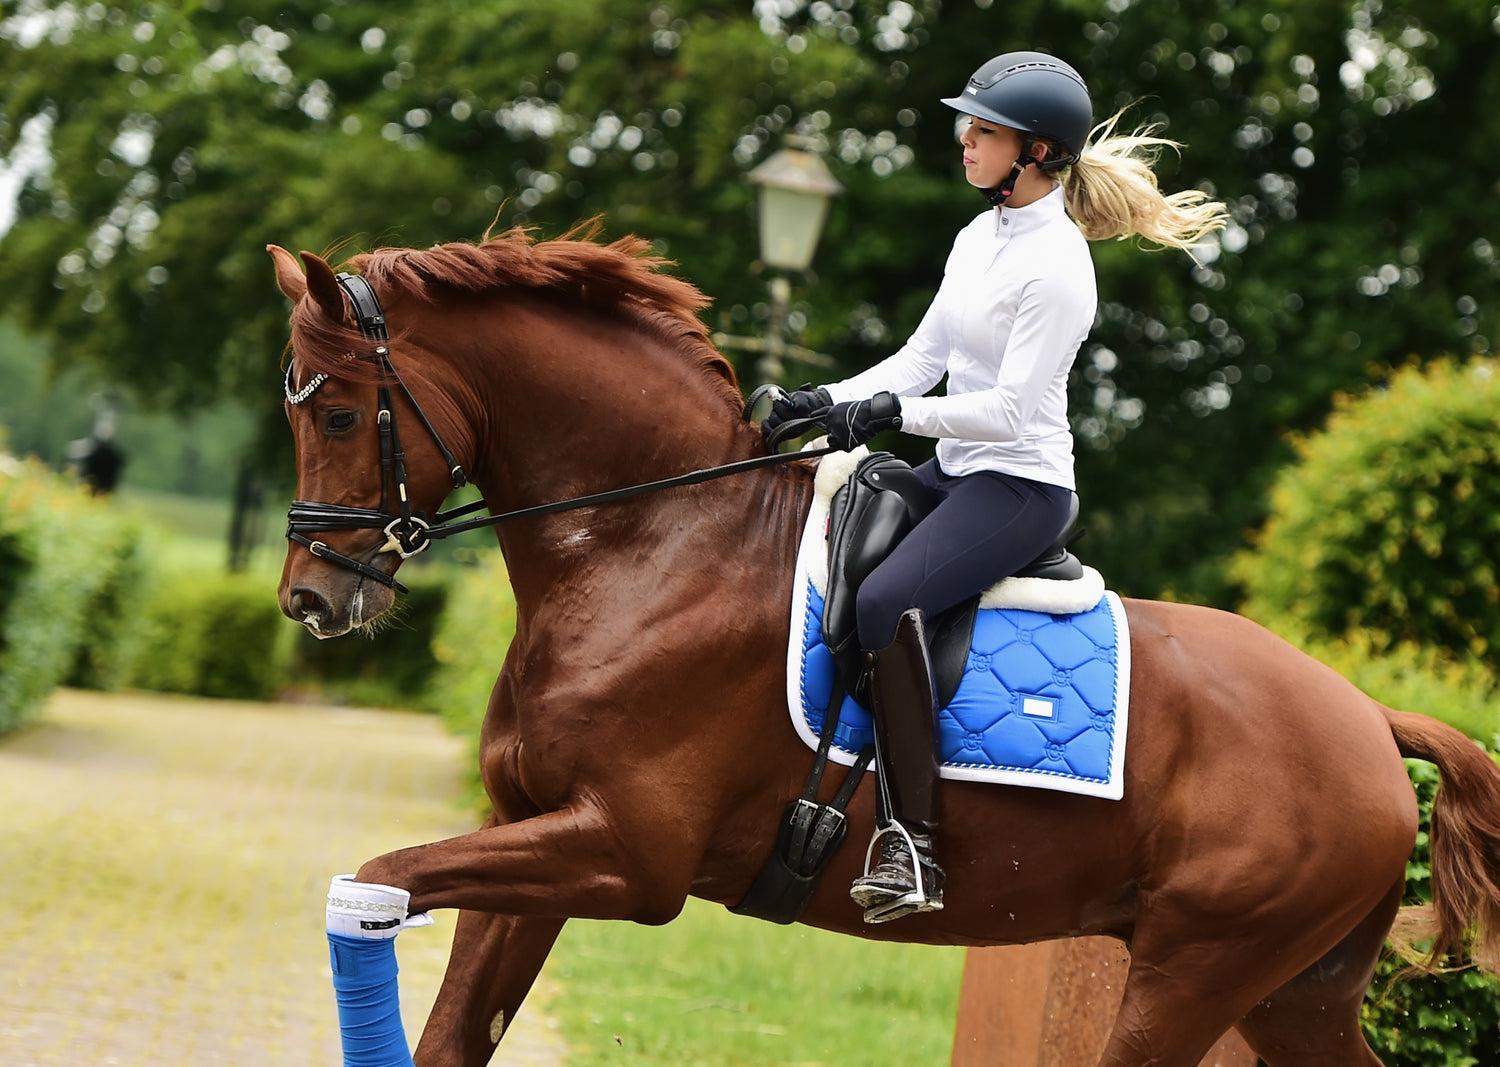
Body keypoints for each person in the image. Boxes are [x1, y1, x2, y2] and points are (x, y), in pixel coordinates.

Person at [762, 51, 1228, 924]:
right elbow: (921, 359)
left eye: (984, 128)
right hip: (955, 471)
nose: (965, 139)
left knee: (888, 599)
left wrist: (895, 411)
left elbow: (1010, 412)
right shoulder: (978, 237)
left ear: (1038, 152)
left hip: (1019, 488)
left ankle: (911, 843)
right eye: (967, 123)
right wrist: (830, 401)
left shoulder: (1058, 267)